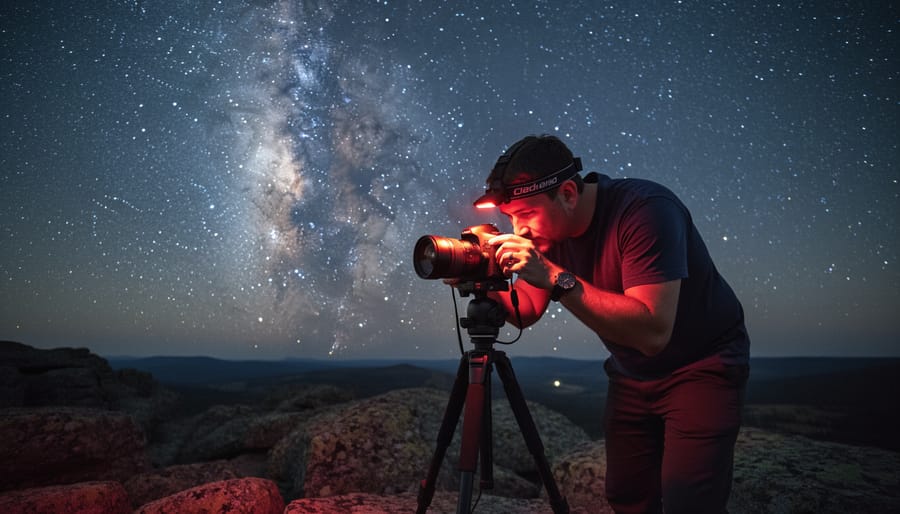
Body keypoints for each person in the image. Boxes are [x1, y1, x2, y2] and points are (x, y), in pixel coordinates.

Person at [473, 134, 750, 514]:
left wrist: (554, 276)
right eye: (510, 218)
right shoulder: (550, 231)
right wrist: (476, 278)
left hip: (701, 367)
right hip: (631, 372)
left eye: (526, 214)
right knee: (627, 494)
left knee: (690, 502)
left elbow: (653, 332)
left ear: (568, 193)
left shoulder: (645, 211)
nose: (519, 230)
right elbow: (526, 310)